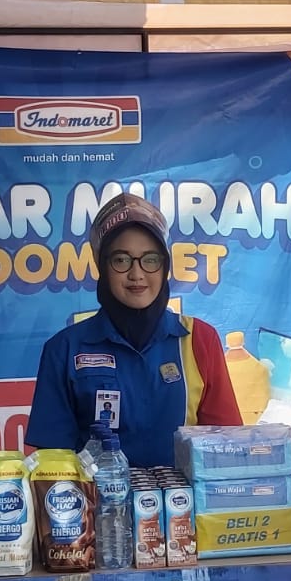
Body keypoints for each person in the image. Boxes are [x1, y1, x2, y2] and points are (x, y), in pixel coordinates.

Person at [27, 192, 242, 469]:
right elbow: (53, 467)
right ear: (102, 266)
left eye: (150, 259)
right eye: (121, 260)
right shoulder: (65, 349)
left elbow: (226, 449)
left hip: (184, 498)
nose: (137, 274)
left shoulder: (199, 339)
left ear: (164, 266)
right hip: (99, 498)